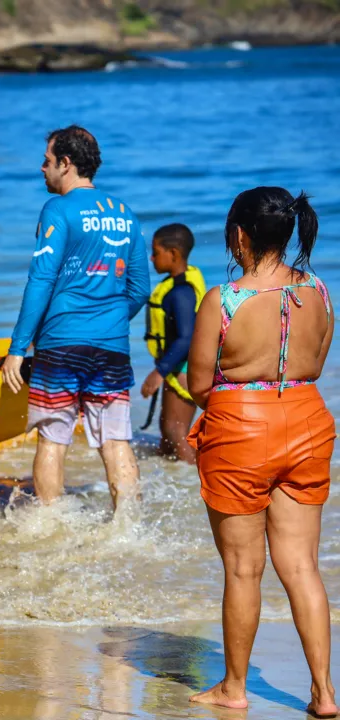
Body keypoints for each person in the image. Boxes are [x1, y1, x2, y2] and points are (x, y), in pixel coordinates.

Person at [186, 188, 335, 716]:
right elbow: (314, 362)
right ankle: (323, 692)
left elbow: (200, 384)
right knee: (301, 567)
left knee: (244, 570)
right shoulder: (318, 288)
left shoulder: (223, 300)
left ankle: (234, 687)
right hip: (309, 421)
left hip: (241, 432)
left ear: (240, 236)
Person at [2, 126, 149, 510]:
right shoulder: (125, 214)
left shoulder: (58, 209)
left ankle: (51, 522)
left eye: (47, 161)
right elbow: (139, 290)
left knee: (53, 438)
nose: (41, 168)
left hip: (62, 343)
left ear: (66, 164)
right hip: (111, 345)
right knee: (115, 440)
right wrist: (112, 319)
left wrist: (18, 347)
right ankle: (129, 527)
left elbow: (41, 280)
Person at [141, 223, 205, 464]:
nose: (152, 257)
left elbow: (186, 338)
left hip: (183, 369)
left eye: (156, 252)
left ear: (174, 254)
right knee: (167, 439)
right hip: (176, 366)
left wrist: (159, 372)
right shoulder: (175, 286)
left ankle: (200, 488)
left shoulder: (181, 293)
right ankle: (171, 488)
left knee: (176, 434)